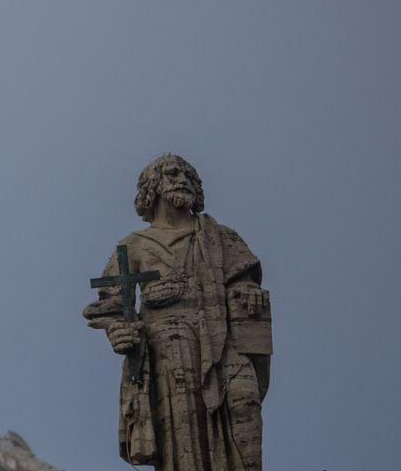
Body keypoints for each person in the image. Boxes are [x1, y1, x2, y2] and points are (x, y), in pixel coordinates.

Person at [84, 154, 272, 471]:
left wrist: (247, 292)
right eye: (172, 173)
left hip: (224, 345)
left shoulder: (220, 236)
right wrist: (119, 331)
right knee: (185, 441)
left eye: (189, 175)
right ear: (152, 187)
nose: (183, 179)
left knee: (244, 409)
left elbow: (243, 281)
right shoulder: (135, 246)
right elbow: (109, 306)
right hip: (172, 354)